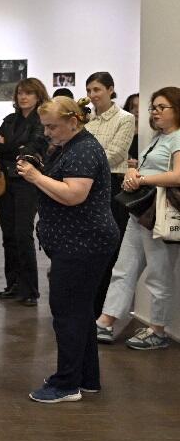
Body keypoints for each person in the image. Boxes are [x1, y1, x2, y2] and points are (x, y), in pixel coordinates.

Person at [17, 96, 117, 403]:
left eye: (52, 126)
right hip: (78, 243)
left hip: (83, 244)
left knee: (68, 313)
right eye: (44, 126)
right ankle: (86, 377)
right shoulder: (72, 146)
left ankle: (66, 384)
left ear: (73, 122)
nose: (47, 132)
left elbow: (74, 195)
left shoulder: (84, 149)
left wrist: (36, 177)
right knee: (80, 311)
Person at [96, 86, 180, 350]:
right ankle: (105, 321)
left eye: (161, 107)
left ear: (176, 110)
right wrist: (135, 173)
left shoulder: (178, 138)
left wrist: (142, 178)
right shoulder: (158, 138)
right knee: (124, 267)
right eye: (152, 108)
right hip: (142, 210)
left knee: (159, 272)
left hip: (161, 214)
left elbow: (178, 176)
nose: (154, 112)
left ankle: (157, 329)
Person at [0, 78, 50, 306]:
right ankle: (13, 284)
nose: (23, 97)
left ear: (38, 96)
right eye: (20, 93)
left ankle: (31, 289)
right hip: (5, 181)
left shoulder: (41, 121)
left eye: (29, 93)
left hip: (27, 182)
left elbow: (34, 147)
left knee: (23, 234)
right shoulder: (10, 119)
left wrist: (8, 145)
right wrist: (15, 146)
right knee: (8, 236)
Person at [84, 72, 136, 317]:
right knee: (89, 247)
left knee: (110, 248)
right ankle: (90, 305)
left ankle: (106, 311)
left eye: (97, 90)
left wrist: (83, 164)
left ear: (110, 89)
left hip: (113, 187)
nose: (93, 95)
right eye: (90, 91)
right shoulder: (86, 121)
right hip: (87, 187)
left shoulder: (125, 119)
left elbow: (115, 154)